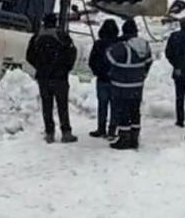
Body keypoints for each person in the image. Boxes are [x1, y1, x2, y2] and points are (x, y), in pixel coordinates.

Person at [25, 13, 79, 144]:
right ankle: (66, 132)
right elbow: (72, 53)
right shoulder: (62, 36)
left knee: (47, 106)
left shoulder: (36, 37)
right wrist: (65, 68)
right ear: (55, 22)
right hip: (60, 77)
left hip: (43, 77)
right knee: (62, 105)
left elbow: (29, 56)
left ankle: (49, 133)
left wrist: (40, 66)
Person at [106, 19, 153, 150]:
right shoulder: (144, 45)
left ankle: (124, 139)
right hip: (137, 85)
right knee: (135, 112)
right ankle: (134, 137)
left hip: (121, 86)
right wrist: (142, 74)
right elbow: (149, 61)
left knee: (123, 113)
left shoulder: (122, 47)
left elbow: (109, 57)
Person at [87, 19, 119, 139]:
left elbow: (92, 61)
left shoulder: (98, 44)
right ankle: (112, 129)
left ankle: (101, 128)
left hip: (102, 79)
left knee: (102, 105)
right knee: (115, 106)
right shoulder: (118, 44)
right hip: (115, 80)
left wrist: (98, 72)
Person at [165, 18, 185, 127]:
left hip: (178, 70)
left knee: (179, 96)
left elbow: (168, 53)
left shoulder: (174, 36)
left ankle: (180, 119)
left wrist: (176, 65)